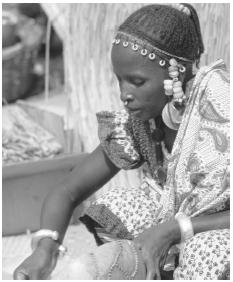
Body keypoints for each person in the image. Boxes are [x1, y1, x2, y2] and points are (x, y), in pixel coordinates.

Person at [14, 3, 230, 280]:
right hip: (178, 230)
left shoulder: (222, 110)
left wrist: (175, 229)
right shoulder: (143, 123)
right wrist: (46, 247)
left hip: (216, 232)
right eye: (120, 80)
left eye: (137, 82)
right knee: (121, 205)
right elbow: (69, 190)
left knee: (209, 250)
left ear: (176, 73)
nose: (124, 94)